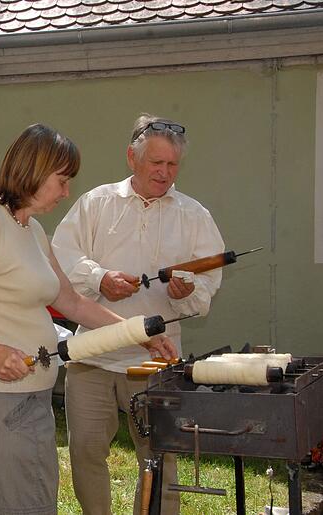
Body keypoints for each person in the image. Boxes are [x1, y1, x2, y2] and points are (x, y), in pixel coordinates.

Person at [0, 123, 177, 515]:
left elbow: (70, 302)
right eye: (62, 180)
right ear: (33, 171)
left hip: (27, 401)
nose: (67, 191)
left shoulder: (32, 230)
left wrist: (139, 334)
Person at [51, 114, 225, 515]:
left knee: (160, 456)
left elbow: (206, 287)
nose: (164, 173)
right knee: (86, 452)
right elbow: (60, 258)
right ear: (132, 157)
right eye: (155, 163)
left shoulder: (193, 215)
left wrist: (185, 293)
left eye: (172, 165)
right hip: (94, 354)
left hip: (155, 360)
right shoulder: (97, 203)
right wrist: (100, 278)